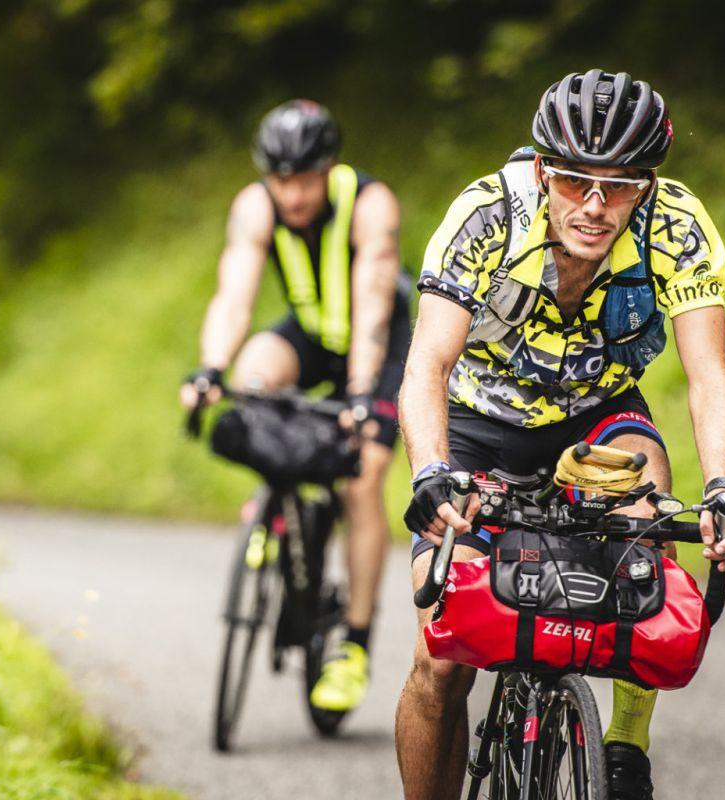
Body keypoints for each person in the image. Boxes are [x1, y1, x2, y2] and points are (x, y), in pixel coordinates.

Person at [394, 70, 725, 799]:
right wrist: (431, 471)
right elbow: (426, 365)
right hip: (477, 424)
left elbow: (708, 375)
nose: (595, 207)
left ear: (647, 185)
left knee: (648, 513)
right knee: (440, 659)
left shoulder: (678, 224)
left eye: (619, 187)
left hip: (597, 415)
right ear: (541, 170)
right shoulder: (485, 215)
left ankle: (625, 742)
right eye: (573, 182)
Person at [180, 99, 411, 714]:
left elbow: (372, 302)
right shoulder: (254, 206)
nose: (293, 194)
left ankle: (354, 645)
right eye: (281, 180)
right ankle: (273, 506)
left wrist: (360, 396)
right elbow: (234, 295)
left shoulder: (371, 204)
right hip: (313, 332)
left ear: (328, 168)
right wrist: (210, 369)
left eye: (305, 179)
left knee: (362, 477)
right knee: (254, 375)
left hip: (381, 342)